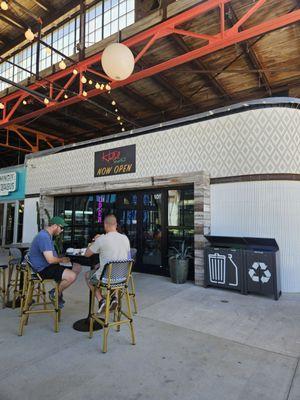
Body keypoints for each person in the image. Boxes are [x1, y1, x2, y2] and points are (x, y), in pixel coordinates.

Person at [28, 216, 81, 308]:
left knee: (77, 267)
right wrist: (62, 260)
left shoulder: (48, 235)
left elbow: (51, 256)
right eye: (61, 228)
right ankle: (55, 293)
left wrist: (61, 258)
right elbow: (50, 260)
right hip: (43, 269)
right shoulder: (44, 237)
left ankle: (58, 288)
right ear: (55, 226)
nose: (62, 230)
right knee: (72, 276)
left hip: (48, 265)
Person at [84, 214, 130, 314]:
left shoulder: (101, 239)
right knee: (114, 274)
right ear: (116, 225)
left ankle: (101, 300)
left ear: (105, 225)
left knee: (88, 275)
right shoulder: (125, 238)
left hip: (106, 279)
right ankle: (115, 297)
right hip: (122, 278)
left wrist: (94, 240)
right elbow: (123, 257)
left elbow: (87, 254)